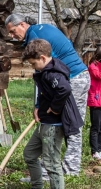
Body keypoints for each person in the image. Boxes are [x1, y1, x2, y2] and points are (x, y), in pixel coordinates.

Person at [5, 13, 90, 176]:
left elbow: (52, 71)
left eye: (13, 31)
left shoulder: (34, 38)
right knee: (68, 122)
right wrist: (39, 104)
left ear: (22, 25)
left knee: (68, 123)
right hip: (76, 77)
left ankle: (62, 170)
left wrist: (45, 105)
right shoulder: (37, 30)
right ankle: (65, 168)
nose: (12, 36)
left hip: (73, 78)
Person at [22, 39, 83, 189]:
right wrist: (39, 107)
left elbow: (65, 89)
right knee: (29, 154)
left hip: (53, 126)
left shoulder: (53, 73)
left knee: (51, 163)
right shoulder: (48, 70)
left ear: (42, 58)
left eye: (33, 63)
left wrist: (55, 108)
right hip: (44, 123)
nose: (33, 67)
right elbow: (47, 92)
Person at [87, 46, 101, 160]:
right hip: (95, 101)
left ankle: (99, 149)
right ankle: (94, 150)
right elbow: (99, 76)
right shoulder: (93, 67)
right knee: (95, 127)